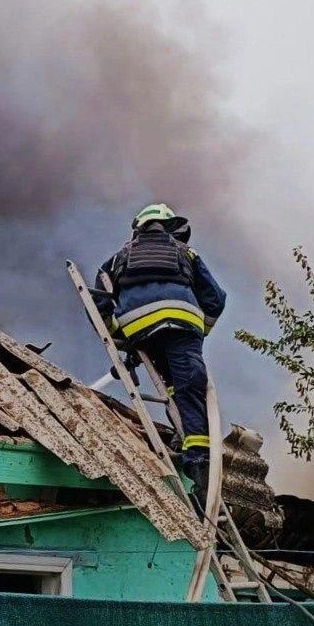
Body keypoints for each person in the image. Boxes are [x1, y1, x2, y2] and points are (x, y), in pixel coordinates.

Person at [94, 203, 227, 512]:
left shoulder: (116, 259)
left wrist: (118, 335)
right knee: (189, 390)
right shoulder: (187, 253)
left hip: (140, 330)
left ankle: (181, 432)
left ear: (138, 228)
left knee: (171, 385)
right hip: (182, 326)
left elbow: (99, 303)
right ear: (167, 227)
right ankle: (201, 474)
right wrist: (200, 330)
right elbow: (216, 298)